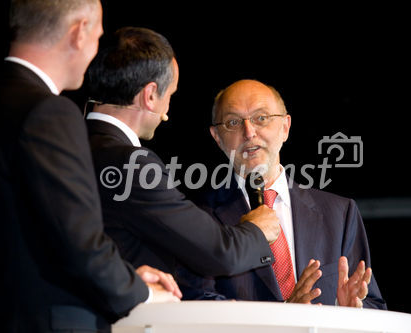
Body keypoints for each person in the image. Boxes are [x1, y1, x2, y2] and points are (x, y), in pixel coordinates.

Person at [0, 1, 181, 332]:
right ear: (80, 31)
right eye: (98, 35)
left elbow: (30, 230)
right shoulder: (49, 113)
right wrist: (141, 292)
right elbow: (78, 242)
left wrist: (125, 274)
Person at [85, 27, 280, 281]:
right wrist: (256, 230)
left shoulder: (73, 143)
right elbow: (217, 253)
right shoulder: (131, 163)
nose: (167, 111)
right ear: (151, 95)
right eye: (170, 95)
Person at [178, 79, 387, 309]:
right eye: (233, 122)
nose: (249, 132)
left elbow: (373, 305)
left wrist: (347, 309)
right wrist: (285, 314)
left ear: (285, 127)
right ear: (217, 137)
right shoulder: (195, 218)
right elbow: (196, 306)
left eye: (261, 118)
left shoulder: (340, 213)